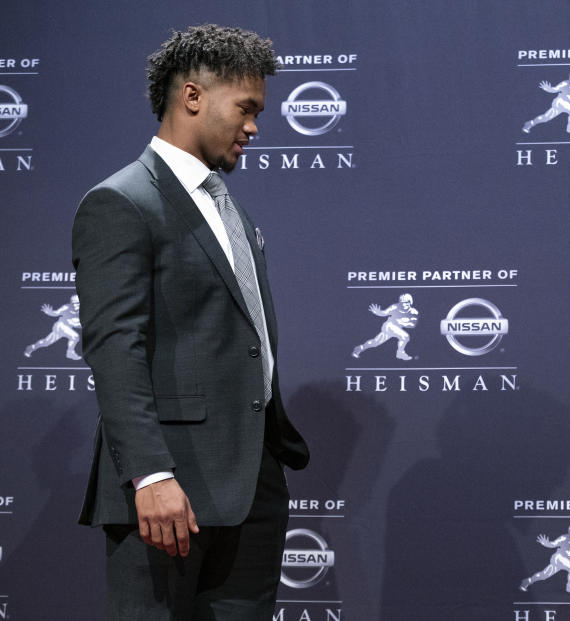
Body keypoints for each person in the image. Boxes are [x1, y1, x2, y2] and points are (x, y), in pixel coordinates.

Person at [72, 24, 309, 620]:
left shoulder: (228, 204)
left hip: (251, 485)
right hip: (167, 492)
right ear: (193, 98)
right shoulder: (121, 202)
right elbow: (114, 345)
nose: (255, 126)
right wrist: (151, 475)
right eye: (247, 108)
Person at [519, 524, 570, 595]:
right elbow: (553, 544)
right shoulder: (564, 538)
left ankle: (527, 581)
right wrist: (547, 544)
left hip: (566, 561)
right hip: (558, 558)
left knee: (544, 575)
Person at [352, 293, 419, 360]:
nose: (404, 305)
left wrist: (402, 323)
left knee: (375, 342)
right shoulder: (395, 307)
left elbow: (413, 325)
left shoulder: (414, 312)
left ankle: (360, 348)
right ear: (399, 303)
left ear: (410, 302)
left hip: (397, 329)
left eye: (406, 303)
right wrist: (378, 312)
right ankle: (400, 353)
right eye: (402, 303)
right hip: (389, 326)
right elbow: (384, 313)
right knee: (405, 336)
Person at [522, 71, 570, 135]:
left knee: (545, 118)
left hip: (567, 104)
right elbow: (555, 89)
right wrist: (549, 89)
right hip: (559, 101)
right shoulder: (565, 83)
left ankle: (530, 123)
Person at [23, 294, 82, 360]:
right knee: (75, 336)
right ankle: (70, 352)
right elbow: (56, 313)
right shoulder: (66, 307)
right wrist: (50, 312)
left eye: (76, 303)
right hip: (60, 326)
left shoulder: (83, 311)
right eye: (72, 303)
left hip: (67, 328)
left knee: (46, 342)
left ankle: (32, 347)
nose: (74, 305)